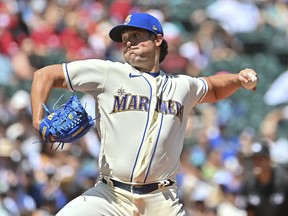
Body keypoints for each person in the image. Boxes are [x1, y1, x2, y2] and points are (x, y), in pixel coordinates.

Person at [30, 12, 258, 216]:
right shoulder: (109, 73)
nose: (128, 41)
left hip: (162, 199)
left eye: (136, 35)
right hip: (111, 195)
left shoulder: (181, 86)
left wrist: (238, 79)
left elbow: (214, 87)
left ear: (158, 39)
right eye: (125, 38)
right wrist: (38, 120)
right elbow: (45, 75)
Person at [239, 139, 288, 216]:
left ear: (269, 159)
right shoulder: (249, 184)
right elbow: (249, 211)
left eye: (261, 158)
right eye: (255, 159)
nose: (257, 162)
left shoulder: (284, 181)